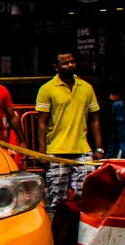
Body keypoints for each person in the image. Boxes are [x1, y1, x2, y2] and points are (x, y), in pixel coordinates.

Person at [36, 50, 103, 217]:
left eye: (72, 62)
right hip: (57, 150)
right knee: (56, 199)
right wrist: (42, 152)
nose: (70, 65)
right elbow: (42, 123)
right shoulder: (47, 89)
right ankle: (58, 230)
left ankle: (80, 230)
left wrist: (99, 148)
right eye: (65, 63)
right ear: (56, 67)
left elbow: (94, 120)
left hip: (82, 149)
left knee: (85, 196)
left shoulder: (86, 88)